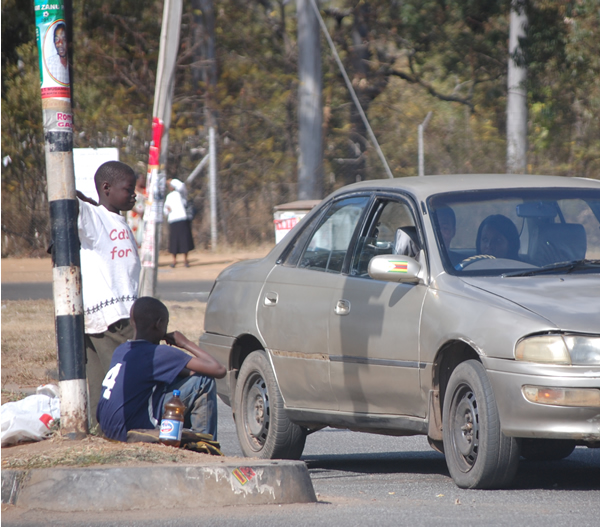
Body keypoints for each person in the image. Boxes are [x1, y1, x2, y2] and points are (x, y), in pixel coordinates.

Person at [96, 297, 226, 443]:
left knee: (187, 381)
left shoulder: (122, 350)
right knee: (205, 381)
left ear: (132, 322)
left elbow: (186, 374)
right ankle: (206, 447)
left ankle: (187, 439)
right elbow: (218, 370)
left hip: (109, 429)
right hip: (132, 430)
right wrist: (185, 343)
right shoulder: (158, 352)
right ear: (159, 324)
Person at [77, 161, 140, 428]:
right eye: (129, 189)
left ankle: (105, 430)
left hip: (111, 317)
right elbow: (67, 196)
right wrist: (90, 202)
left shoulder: (114, 219)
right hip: (114, 319)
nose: (134, 195)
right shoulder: (95, 218)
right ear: (106, 188)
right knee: (124, 380)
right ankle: (119, 428)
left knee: (104, 381)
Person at [163, 178, 194, 268]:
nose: (170, 187)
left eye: (171, 185)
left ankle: (185, 260)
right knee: (174, 241)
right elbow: (165, 209)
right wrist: (167, 210)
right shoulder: (168, 196)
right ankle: (174, 260)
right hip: (173, 219)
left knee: (184, 240)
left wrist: (172, 181)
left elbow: (181, 185)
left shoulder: (181, 193)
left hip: (182, 218)